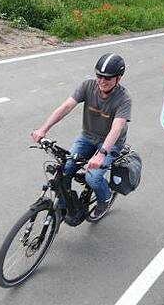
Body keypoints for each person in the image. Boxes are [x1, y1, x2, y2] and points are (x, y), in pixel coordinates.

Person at [31, 53, 132, 221]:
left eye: (107, 78)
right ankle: (64, 209)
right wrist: (43, 129)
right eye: (99, 75)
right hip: (87, 137)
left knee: (92, 177)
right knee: (64, 171)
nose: (102, 80)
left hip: (110, 144)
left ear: (119, 78)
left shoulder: (124, 99)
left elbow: (116, 128)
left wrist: (101, 154)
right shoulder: (88, 86)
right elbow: (66, 106)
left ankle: (104, 199)